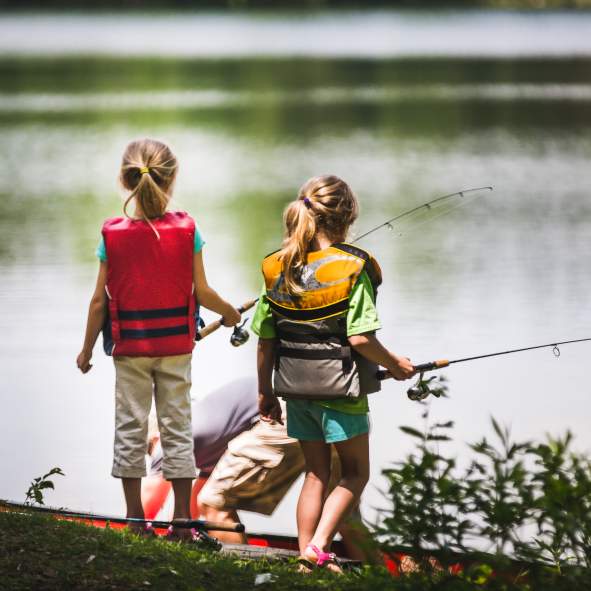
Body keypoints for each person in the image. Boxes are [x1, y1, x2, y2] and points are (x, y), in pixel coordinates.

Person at [76, 138, 240, 537]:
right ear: (172, 179)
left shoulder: (112, 234)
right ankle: (182, 521)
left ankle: (135, 521)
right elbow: (203, 291)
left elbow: (100, 301)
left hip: (130, 349)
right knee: (176, 428)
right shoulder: (187, 230)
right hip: (175, 348)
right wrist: (230, 313)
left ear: (124, 179)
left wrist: (85, 350)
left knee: (131, 428)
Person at [252, 175, 415, 571]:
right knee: (356, 473)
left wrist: (265, 393)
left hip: (294, 389)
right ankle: (319, 546)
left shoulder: (279, 266)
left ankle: (306, 558)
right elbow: (361, 340)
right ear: (347, 217)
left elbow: (265, 341)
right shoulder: (355, 266)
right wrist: (396, 365)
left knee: (315, 473)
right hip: (341, 391)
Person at [143, 377, 376, 562]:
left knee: (216, 504)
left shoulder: (167, 438)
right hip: (326, 404)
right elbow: (194, 507)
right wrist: (185, 532)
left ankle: (237, 570)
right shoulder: (207, 438)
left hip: (282, 412)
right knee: (342, 513)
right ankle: (379, 577)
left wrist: (138, 532)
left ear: (154, 436)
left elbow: (146, 509)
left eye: (149, 450)